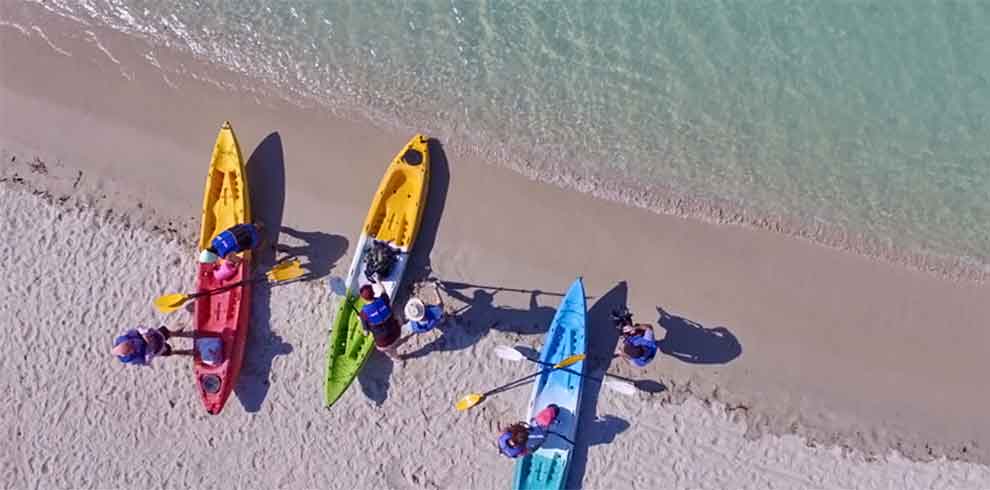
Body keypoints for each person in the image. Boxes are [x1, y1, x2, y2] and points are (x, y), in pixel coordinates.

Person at [199, 222, 265, 280]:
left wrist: (233, 265)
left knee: (256, 250)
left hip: (252, 237)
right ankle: (256, 225)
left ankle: (262, 241)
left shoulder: (225, 255)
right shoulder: (214, 241)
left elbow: (239, 260)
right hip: (243, 226)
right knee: (244, 232)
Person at [358, 283, 404, 360]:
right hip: (396, 333)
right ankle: (397, 343)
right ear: (373, 293)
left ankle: (398, 358)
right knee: (395, 340)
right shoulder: (383, 299)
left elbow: (366, 333)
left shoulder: (363, 313)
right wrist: (378, 281)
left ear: (363, 299)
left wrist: (361, 320)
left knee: (391, 352)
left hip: (383, 343)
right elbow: (383, 291)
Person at [112, 325, 187, 366]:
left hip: (155, 336)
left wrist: (144, 334)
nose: (133, 345)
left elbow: (138, 328)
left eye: (130, 343)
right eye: (132, 348)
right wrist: (149, 349)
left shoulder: (126, 338)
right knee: (169, 351)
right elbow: (146, 361)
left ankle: (176, 333)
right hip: (157, 348)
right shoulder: (132, 358)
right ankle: (178, 352)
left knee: (166, 332)